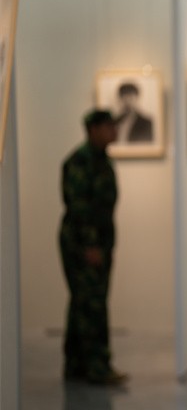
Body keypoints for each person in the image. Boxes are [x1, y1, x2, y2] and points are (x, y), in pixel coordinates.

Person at [59, 109, 128, 386]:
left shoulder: (102, 160)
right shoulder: (80, 161)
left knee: (83, 302)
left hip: (99, 241)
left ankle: (76, 364)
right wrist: (90, 245)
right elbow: (79, 207)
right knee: (92, 305)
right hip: (83, 244)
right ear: (93, 130)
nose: (114, 131)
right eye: (109, 126)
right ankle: (98, 366)